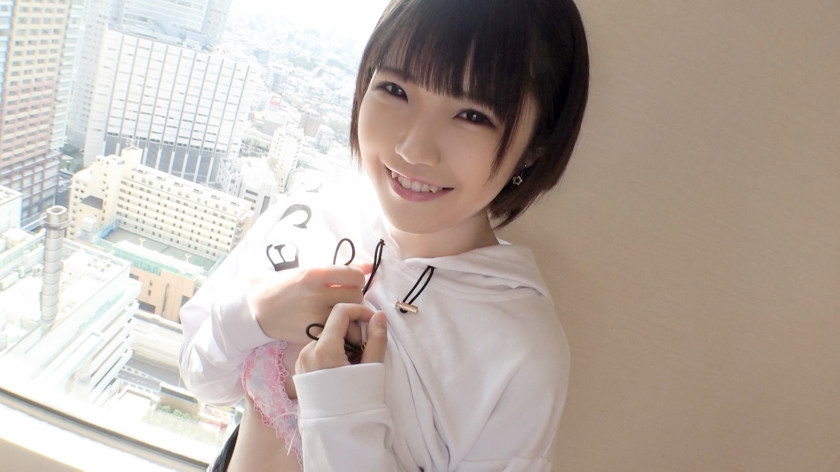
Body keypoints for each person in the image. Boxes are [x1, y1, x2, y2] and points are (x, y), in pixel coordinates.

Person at [179, 0, 589, 469]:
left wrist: (342, 416)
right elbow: (203, 380)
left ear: (536, 145)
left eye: (473, 115)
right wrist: (256, 312)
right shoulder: (313, 211)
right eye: (395, 89)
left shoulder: (520, 352)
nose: (414, 148)